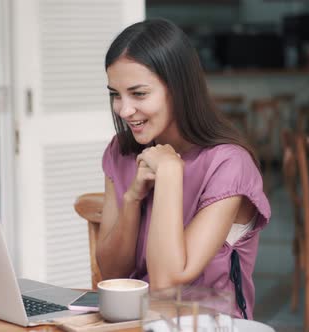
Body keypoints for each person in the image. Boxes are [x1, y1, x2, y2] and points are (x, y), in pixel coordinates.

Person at [97, 19, 270, 320]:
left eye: (138, 94)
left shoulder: (229, 165)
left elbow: (166, 281)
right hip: (135, 323)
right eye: (116, 94)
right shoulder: (121, 152)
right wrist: (133, 199)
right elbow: (112, 272)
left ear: (178, 89)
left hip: (206, 324)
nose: (124, 110)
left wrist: (170, 174)